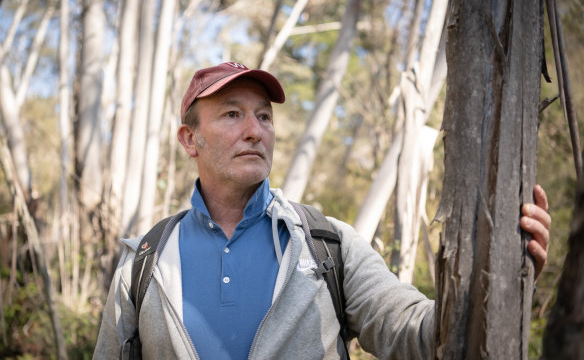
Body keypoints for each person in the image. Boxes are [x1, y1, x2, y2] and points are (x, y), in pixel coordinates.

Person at [93, 62, 551, 359]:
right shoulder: (144, 261)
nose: (255, 130)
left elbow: (416, 333)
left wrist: (501, 276)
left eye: (265, 116)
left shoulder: (328, 244)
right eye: (232, 114)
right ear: (190, 139)